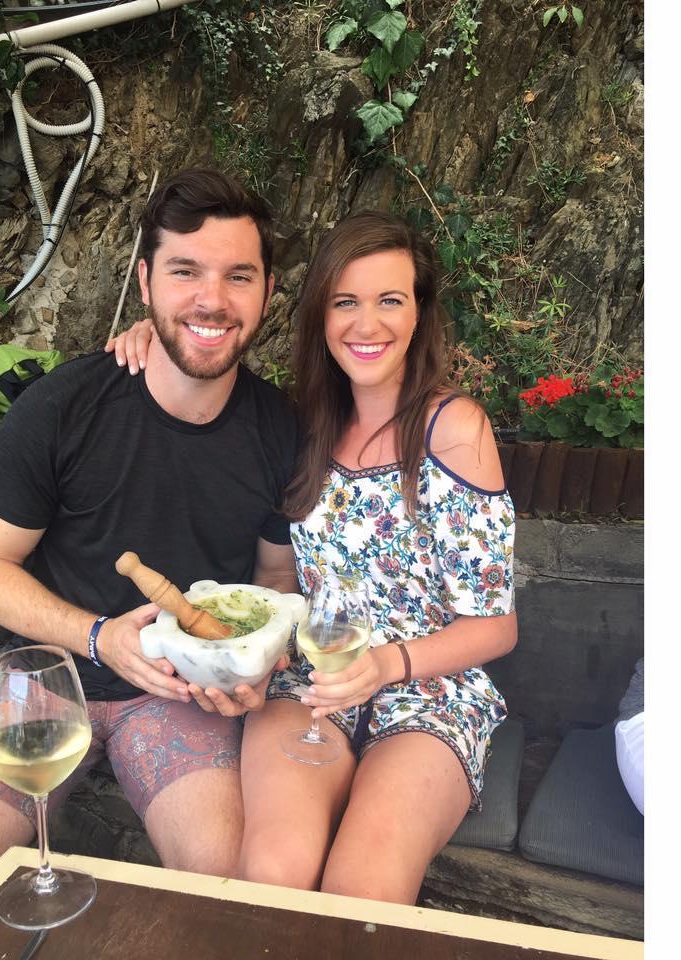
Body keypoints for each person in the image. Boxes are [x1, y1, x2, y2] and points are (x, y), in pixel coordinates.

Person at [0, 169, 299, 927]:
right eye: (185, 271)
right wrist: (98, 638)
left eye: (239, 276)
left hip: (180, 700)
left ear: (265, 294)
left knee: (241, 907)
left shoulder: (280, 432)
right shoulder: (62, 406)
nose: (211, 299)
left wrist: (259, 666)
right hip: (49, 682)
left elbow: (274, 588)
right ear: (145, 282)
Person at [110, 210, 517, 905]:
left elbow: (496, 627)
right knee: (273, 872)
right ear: (321, 316)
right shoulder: (304, 428)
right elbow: (277, 577)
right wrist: (150, 330)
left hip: (426, 691)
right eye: (346, 302)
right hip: (307, 681)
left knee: (363, 885)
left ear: (419, 312)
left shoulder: (453, 430)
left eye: (391, 300)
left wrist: (382, 666)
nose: (368, 324)